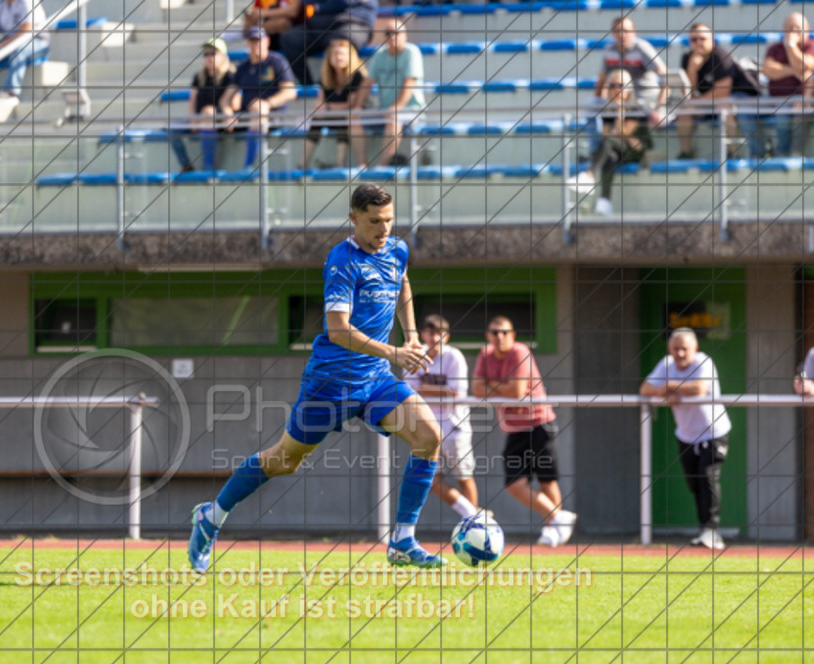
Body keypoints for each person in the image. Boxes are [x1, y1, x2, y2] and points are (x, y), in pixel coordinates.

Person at [189, 183, 451, 573]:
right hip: (330, 384)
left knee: (428, 436)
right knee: (284, 461)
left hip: (375, 379)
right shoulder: (341, 261)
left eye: (390, 221)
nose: (384, 229)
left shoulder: (396, 250)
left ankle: (402, 540)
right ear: (354, 219)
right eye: (375, 222)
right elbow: (338, 330)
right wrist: (396, 352)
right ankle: (211, 517)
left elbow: (402, 286)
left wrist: (410, 334)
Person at [472, 316, 576, 546]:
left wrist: (492, 387)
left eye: (504, 332)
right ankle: (558, 518)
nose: (500, 337)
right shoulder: (485, 356)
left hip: (539, 423)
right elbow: (476, 389)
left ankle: (552, 529)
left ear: (513, 334)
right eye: (495, 332)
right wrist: (502, 389)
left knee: (547, 481)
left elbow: (516, 391)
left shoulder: (520, 352)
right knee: (514, 484)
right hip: (513, 429)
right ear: (488, 336)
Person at [640, 327, 732, 550]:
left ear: (695, 348)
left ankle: (712, 532)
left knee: (708, 476)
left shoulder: (703, 362)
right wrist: (664, 391)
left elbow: (699, 388)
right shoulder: (666, 364)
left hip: (714, 433)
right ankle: (705, 531)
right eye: (675, 349)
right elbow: (644, 388)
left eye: (684, 349)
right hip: (686, 435)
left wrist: (669, 387)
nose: (679, 353)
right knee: (695, 483)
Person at [403, 315, 480, 521]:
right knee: (431, 479)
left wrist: (426, 388)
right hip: (426, 427)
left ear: (446, 336)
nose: (434, 337)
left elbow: (457, 392)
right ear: (422, 335)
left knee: (464, 477)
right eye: (430, 332)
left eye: (439, 333)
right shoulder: (414, 355)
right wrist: (440, 390)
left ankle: (473, 525)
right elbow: (410, 391)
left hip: (456, 428)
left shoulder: (454, 356)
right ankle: (472, 515)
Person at [572, 69, 654, 216]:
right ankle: (604, 202)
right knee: (609, 156)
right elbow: (606, 134)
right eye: (613, 85)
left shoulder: (636, 108)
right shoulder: (608, 109)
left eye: (621, 85)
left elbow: (624, 131)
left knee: (609, 143)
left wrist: (620, 111)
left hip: (637, 151)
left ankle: (589, 175)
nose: (616, 89)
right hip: (617, 150)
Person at [677, 23, 761, 159]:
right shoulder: (688, 58)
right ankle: (686, 153)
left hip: (743, 96)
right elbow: (687, 94)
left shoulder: (720, 56)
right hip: (714, 99)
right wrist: (692, 69)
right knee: (685, 111)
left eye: (702, 39)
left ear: (712, 39)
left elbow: (723, 91)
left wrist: (695, 102)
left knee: (724, 106)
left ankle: (732, 153)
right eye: (694, 40)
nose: (698, 43)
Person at [218, 27, 297, 170]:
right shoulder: (243, 67)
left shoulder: (276, 62)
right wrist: (227, 113)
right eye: (253, 41)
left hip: (273, 115)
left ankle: (248, 167)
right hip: (247, 115)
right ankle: (206, 170)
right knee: (207, 116)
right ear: (247, 43)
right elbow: (225, 99)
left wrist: (267, 103)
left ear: (267, 41)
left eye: (259, 41)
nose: (256, 45)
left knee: (258, 110)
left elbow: (290, 92)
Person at [589, 16, 666, 154]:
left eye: (626, 30)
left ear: (634, 32)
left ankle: (639, 150)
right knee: (591, 106)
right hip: (622, 99)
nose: (622, 35)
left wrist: (659, 107)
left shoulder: (642, 48)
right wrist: (602, 102)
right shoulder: (609, 50)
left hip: (644, 98)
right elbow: (601, 82)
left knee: (624, 131)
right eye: (618, 31)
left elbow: (666, 78)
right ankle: (595, 150)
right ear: (613, 34)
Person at [358, 18, 426, 167]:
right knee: (354, 121)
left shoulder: (411, 52)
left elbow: (409, 83)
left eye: (396, 32)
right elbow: (367, 83)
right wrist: (357, 107)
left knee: (393, 119)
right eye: (388, 33)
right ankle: (361, 164)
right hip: (386, 110)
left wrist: (396, 107)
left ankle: (382, 165)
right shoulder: (380, 54)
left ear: (405, 35)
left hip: (411, 110)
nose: (392, 36)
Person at [170, 38, 237, 173]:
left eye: (213, 53)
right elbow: (192, 100)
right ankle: (186, 165)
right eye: (206, 54)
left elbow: (235, 104)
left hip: (222, 120)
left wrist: (215, 113)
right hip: (203, 118)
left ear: (223, 56)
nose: (209, 57)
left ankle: (208, 167)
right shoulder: (200, 76)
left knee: (208, 112)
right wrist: (193, 118)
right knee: (173, 128)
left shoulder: (230, 76)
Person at [303, 38, 368, 168]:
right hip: (335, 113)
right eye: (335, 54)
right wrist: (321, 106)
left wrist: (327, 107)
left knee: (345, 117)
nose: (338, 57)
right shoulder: (326, 76)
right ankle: (302, 163)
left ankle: (341, 163)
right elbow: (320, 100)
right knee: (316, 119)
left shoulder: (357, 75)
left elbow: (350, 104)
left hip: (356, 114)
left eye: (342, 54)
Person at [279, 0, 377, 85]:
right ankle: (308, 86)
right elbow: (309, 3)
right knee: (290, 39)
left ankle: (347, 92)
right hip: (319, 25)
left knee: (338, 44)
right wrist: (322, 7)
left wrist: (319, 7)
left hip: (352, 22)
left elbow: (341, 2)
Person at [761, 12, 814, 157]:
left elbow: (805, 66)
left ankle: (786, 156)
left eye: (798, 28)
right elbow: (767, 69)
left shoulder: (811, 46)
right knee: (743, 110)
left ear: (807, 29)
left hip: (800, 99)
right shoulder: (775, 48)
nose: (794, 32)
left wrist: (791, 45)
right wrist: (794, 70)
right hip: (774, 98)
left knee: (785, 113)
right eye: (790, 28)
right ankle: (757, 154)